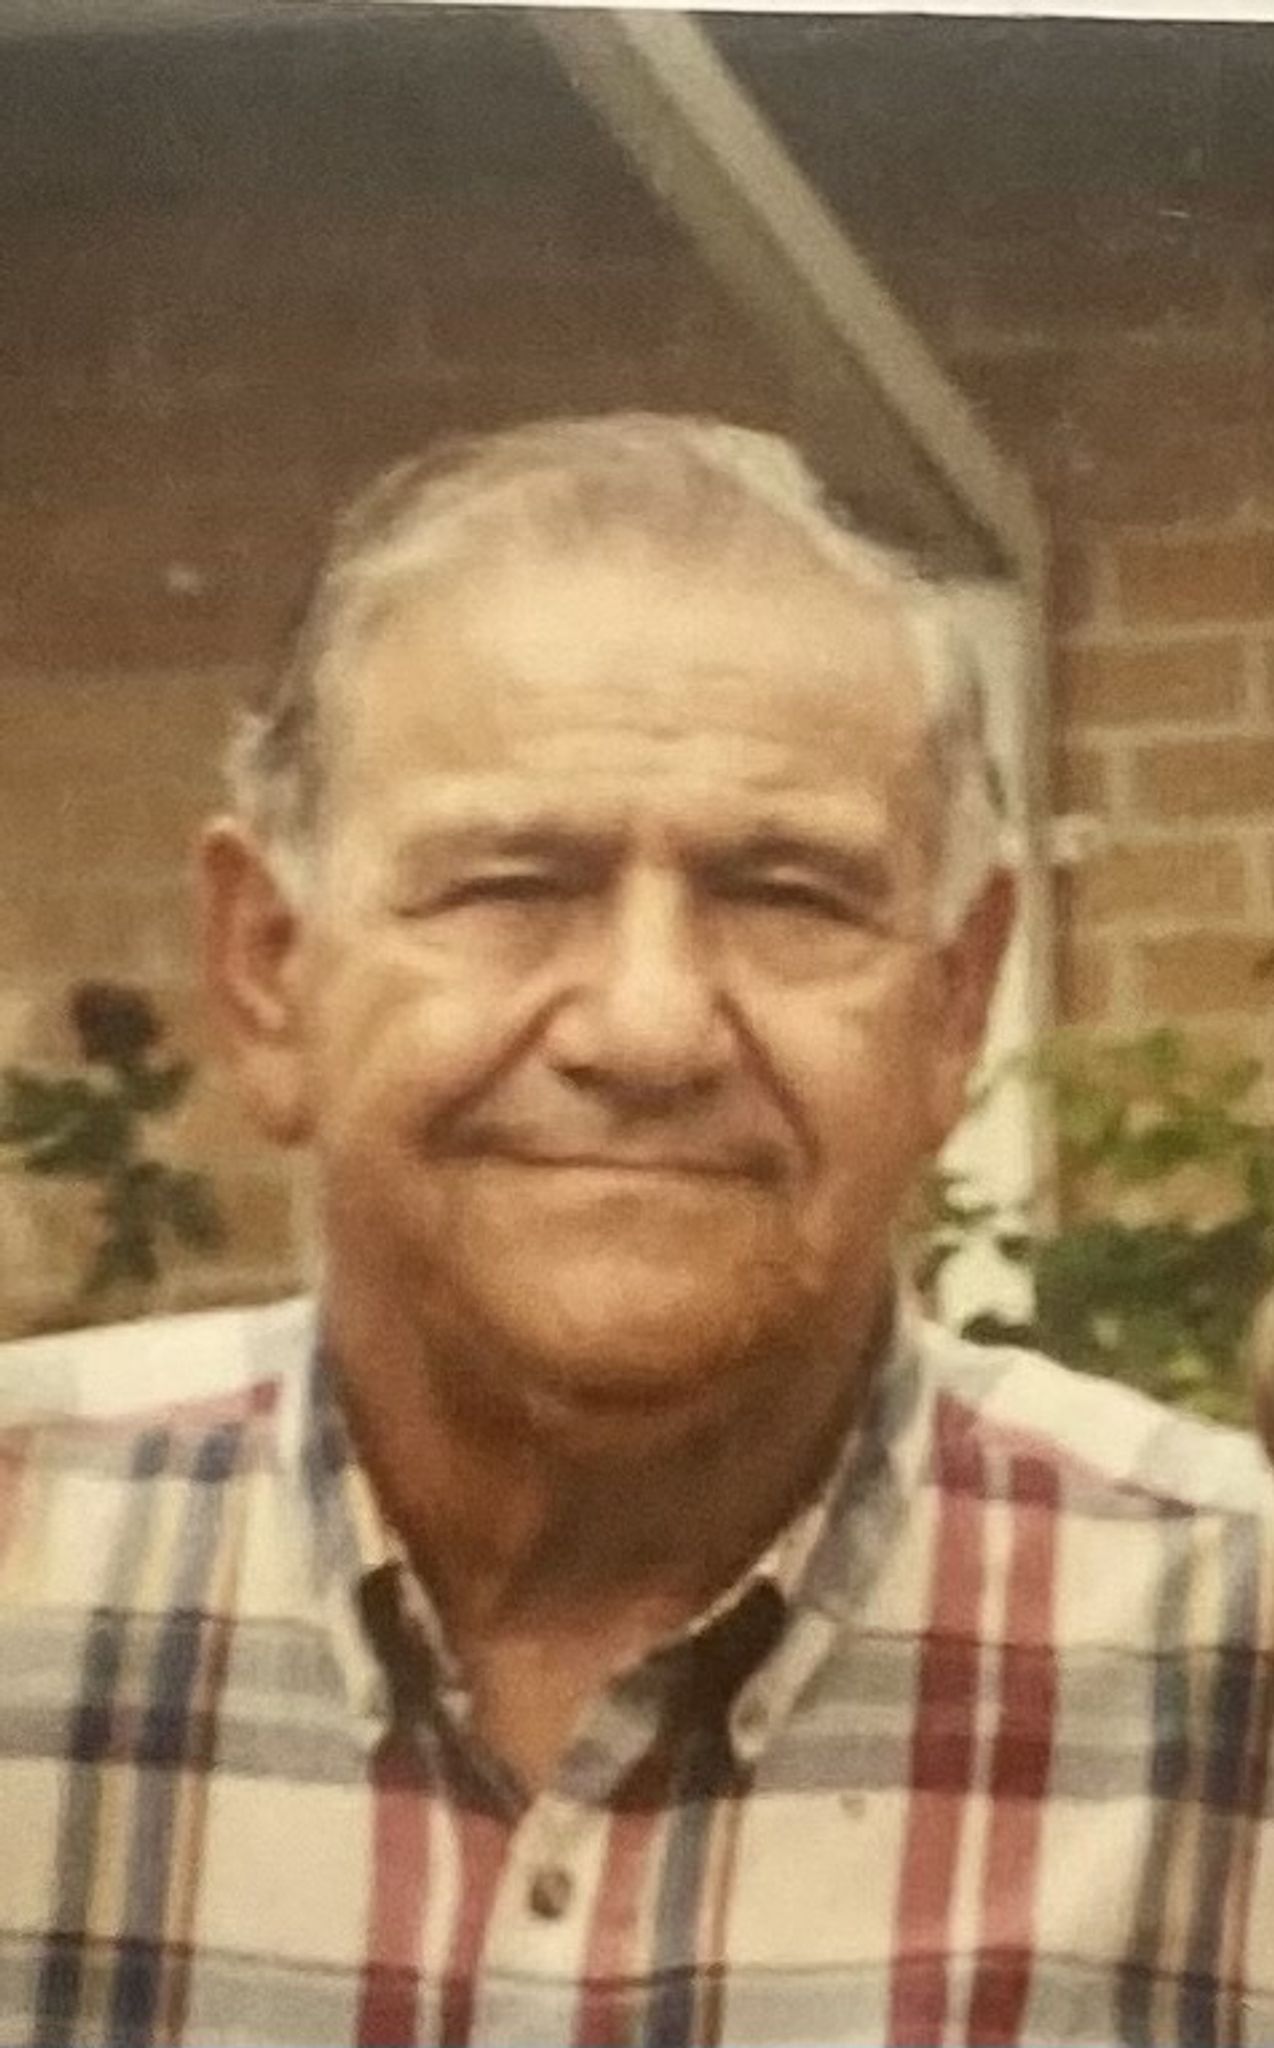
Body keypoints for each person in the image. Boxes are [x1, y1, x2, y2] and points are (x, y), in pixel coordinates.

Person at [1, 414, 1271, 2048]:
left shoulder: (1228, 1668)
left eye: (786, 896)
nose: (649, 1028)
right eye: (510, 885)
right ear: (267, 972)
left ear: (954, 1006)